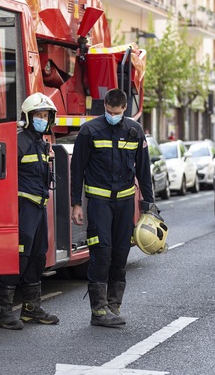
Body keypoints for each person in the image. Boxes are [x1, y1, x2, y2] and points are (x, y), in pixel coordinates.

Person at [70, 88, 154, 328]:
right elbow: (77, 169)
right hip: (99, 203)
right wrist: (76, 203)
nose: (112, 116)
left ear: (124, 109)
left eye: (116, 112)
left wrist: (149, 204)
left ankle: (113, 306)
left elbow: (143, 171)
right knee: (101, 252)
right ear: (104, 106)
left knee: (120, 254)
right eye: (108, 112)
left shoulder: (134, 131)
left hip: (125, 203)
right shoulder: (90, 130)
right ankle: (98, 310)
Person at [0, 92, 60, 330]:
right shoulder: (19, 142)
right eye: (38, 115)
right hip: (22, 209)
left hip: (38, 208)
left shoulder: (42, 143)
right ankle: (3, 312)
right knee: (17, 258)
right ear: (28, 118)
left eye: (45, 115)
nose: (43, 119)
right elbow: (5, 178)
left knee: (38, 256)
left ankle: (31, 309)